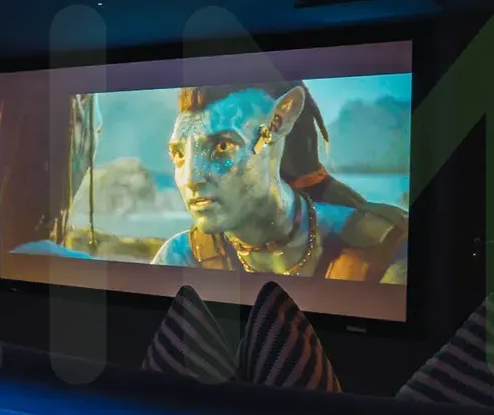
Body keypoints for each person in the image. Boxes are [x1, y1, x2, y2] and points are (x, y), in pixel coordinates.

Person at [150, 82, 407, 282]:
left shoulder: (386, 245)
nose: (190, 178)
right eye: (179, 154)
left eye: (222, 147)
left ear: (277, 124)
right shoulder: (180, 257)